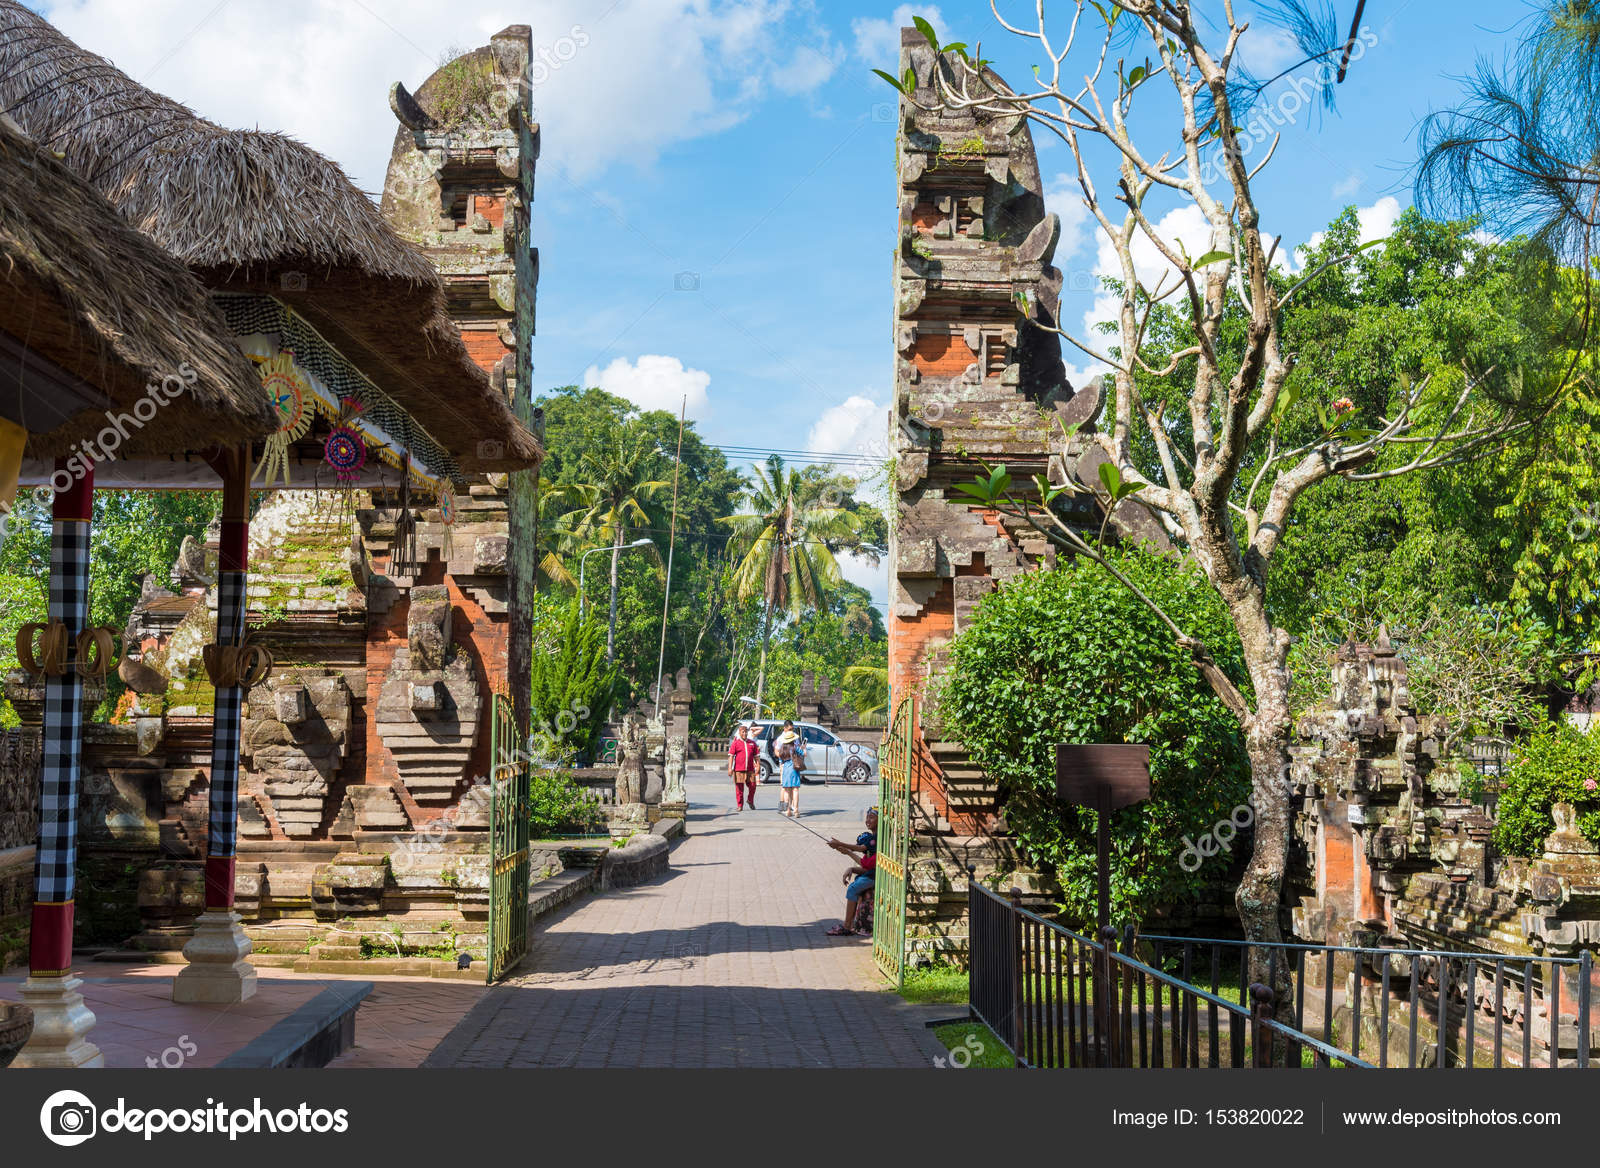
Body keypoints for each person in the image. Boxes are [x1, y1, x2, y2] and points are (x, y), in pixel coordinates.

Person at [826, 807, 878, 936]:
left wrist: (843, 846)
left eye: (871, 817)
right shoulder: (871, 837)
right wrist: (851, 868)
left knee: (852, 889)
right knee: (856, 884)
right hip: (870, 874)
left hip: (874, 876)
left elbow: (862, 855)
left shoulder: (876, 840)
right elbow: (865, 862)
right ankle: (854, 923)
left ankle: (847, 926)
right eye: (867, 817)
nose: (868, 820)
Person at [776, 720, 806, 817]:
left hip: (785, 768)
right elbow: (804, 754)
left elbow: (779, 756)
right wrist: (803, 748)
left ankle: (787, 810)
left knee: (786, 790)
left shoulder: (783, 748)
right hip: (794, 769)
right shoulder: (795, 747)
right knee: (795, 790)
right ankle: (796, 810)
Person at [728, 722, 758, 811]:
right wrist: (730, 768)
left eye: (745, 732)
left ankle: (750, 800)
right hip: (738, 769)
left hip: (750, 769)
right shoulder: (735, 743)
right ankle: (740, 805)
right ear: (739, 733)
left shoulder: (752, 743)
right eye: (742, 732)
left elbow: (756, 756)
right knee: (739, 788)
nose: (744, 733)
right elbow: (731, 756)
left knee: (753, 786)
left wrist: (758, 765)